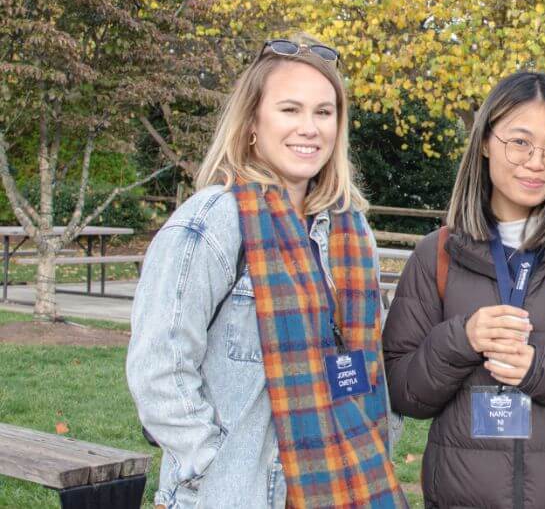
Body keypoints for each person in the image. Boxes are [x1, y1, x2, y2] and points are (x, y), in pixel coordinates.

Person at [127, 36, 406, 508]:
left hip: (349, 486)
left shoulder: (351, 232)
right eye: (290, 109)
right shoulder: (211, 222)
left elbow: (370, 362)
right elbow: (159, 366)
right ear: (253, 121)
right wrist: (210, 467)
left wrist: (378, 439)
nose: (309, 128)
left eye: (324, 112)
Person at [383, 71, 545, 509]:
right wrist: (461, 339)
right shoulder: (436, 255)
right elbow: (403, 391)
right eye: (519, 142)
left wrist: (538, 368)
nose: (536, 162)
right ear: (485, 142)